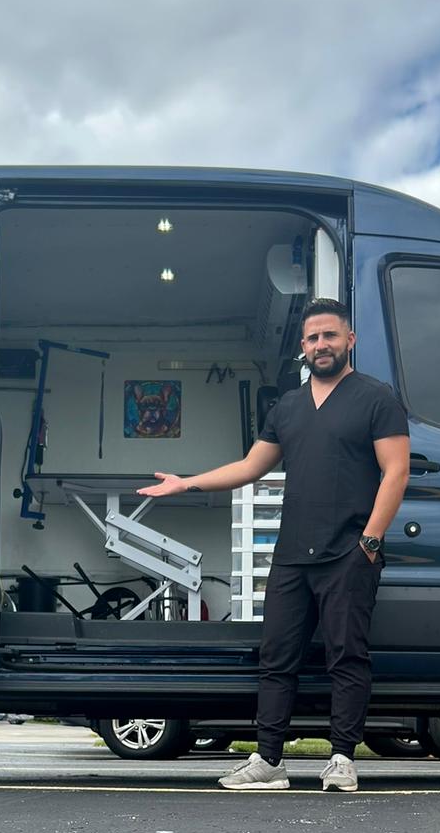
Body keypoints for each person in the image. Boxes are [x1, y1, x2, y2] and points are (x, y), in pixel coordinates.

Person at [138, 297, 410, 791]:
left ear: (350, 340)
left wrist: (369, 543)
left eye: (330, 335)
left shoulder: (376, 398)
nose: (320, 345)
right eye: (312, 338)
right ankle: (269, 762)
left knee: (347, 658)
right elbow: (250, 467)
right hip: (292, 557)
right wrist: (186, 483)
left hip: (349, 553)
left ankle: (343, 760)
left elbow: (397, 471)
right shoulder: (287, 406)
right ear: (303, 348)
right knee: (276, 658)